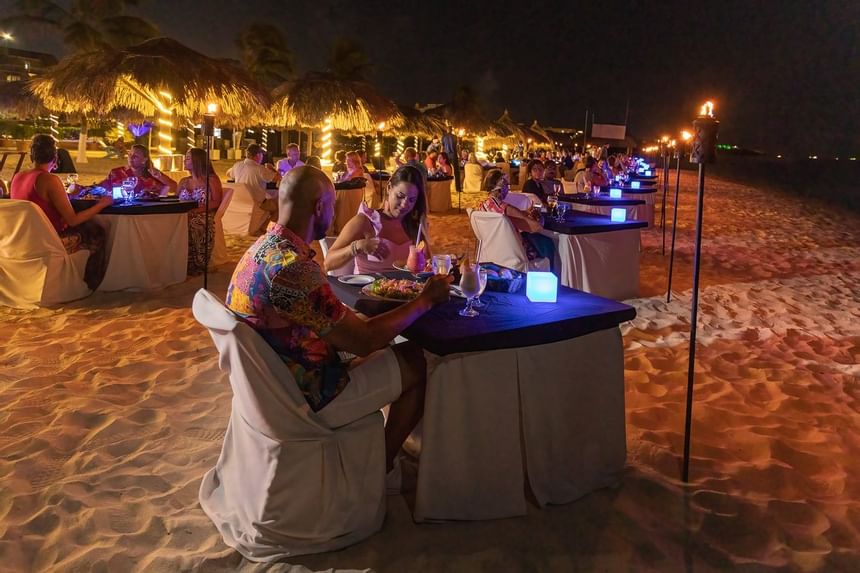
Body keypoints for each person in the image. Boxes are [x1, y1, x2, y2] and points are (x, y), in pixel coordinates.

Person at [226, 166, 451, 481]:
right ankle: (382, 467)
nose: (333, 214)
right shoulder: (295, 270)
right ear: (319, 207)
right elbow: (364, 341)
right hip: (310, 394)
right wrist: (425, 300)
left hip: (272, 385)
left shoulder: (260, 251)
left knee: (383, 343)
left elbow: (324, 323)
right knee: (416, 359)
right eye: (332, 205)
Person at [11, 134, 111, 290]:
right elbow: (73, 220)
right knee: (96, 232)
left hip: (21, 237)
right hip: (48, 240)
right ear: (55, 157)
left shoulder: (18, 177)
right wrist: (102, 205)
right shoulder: (49, 180)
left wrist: (67, 196)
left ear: (32, 155)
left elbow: (39, 201)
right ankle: (89, 283)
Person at [325, 165, 429, 275]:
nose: (404, 205)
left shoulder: (415, 225)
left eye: (412, 200)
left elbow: (427, 261)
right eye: (400, 196)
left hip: (406, 288)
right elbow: (328, 263)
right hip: (367, 288)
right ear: (389, 188)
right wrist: (358, 246)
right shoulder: (365, 221)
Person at [478, 169, 555, 269]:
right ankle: (553, 274)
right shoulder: (506, 208)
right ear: (501, 188)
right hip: (514, 252)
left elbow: (514, 217)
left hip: (493, 250)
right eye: (507, 185)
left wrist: (526, 212)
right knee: (546, 244)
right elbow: (537, 227)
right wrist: (539, 216)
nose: (508, 189)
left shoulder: (482, 207)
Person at [177, 147, 223, 275]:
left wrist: (196, 211)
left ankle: (199, 262)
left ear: (197, 161)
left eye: (188, 158)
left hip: (204, 214)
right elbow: (176, 200)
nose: (184, 161)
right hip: (184, 214)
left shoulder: (211, 179)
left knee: (194, 223)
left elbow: (216, 201)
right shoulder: (183, 181)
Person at [227, 143, 280, 233]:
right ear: (257, 156)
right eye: (261, 155)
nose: (262, 157)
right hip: (258, 202)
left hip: (241, 200)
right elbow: (277, 178)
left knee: (270, 196)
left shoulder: (237, 165)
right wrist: (273, 169)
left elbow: (228, 174)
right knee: (280, 207)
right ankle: (263, 227)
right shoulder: (260, 169)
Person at [100, 144, 177, 199]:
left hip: (146, 214)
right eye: (130, 154)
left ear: (144, 159)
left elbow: (174, 188)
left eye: (135, 156)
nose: (131, 157)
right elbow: (101, 188)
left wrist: (158, 175)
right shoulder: (117, 173)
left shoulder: (152, 176)